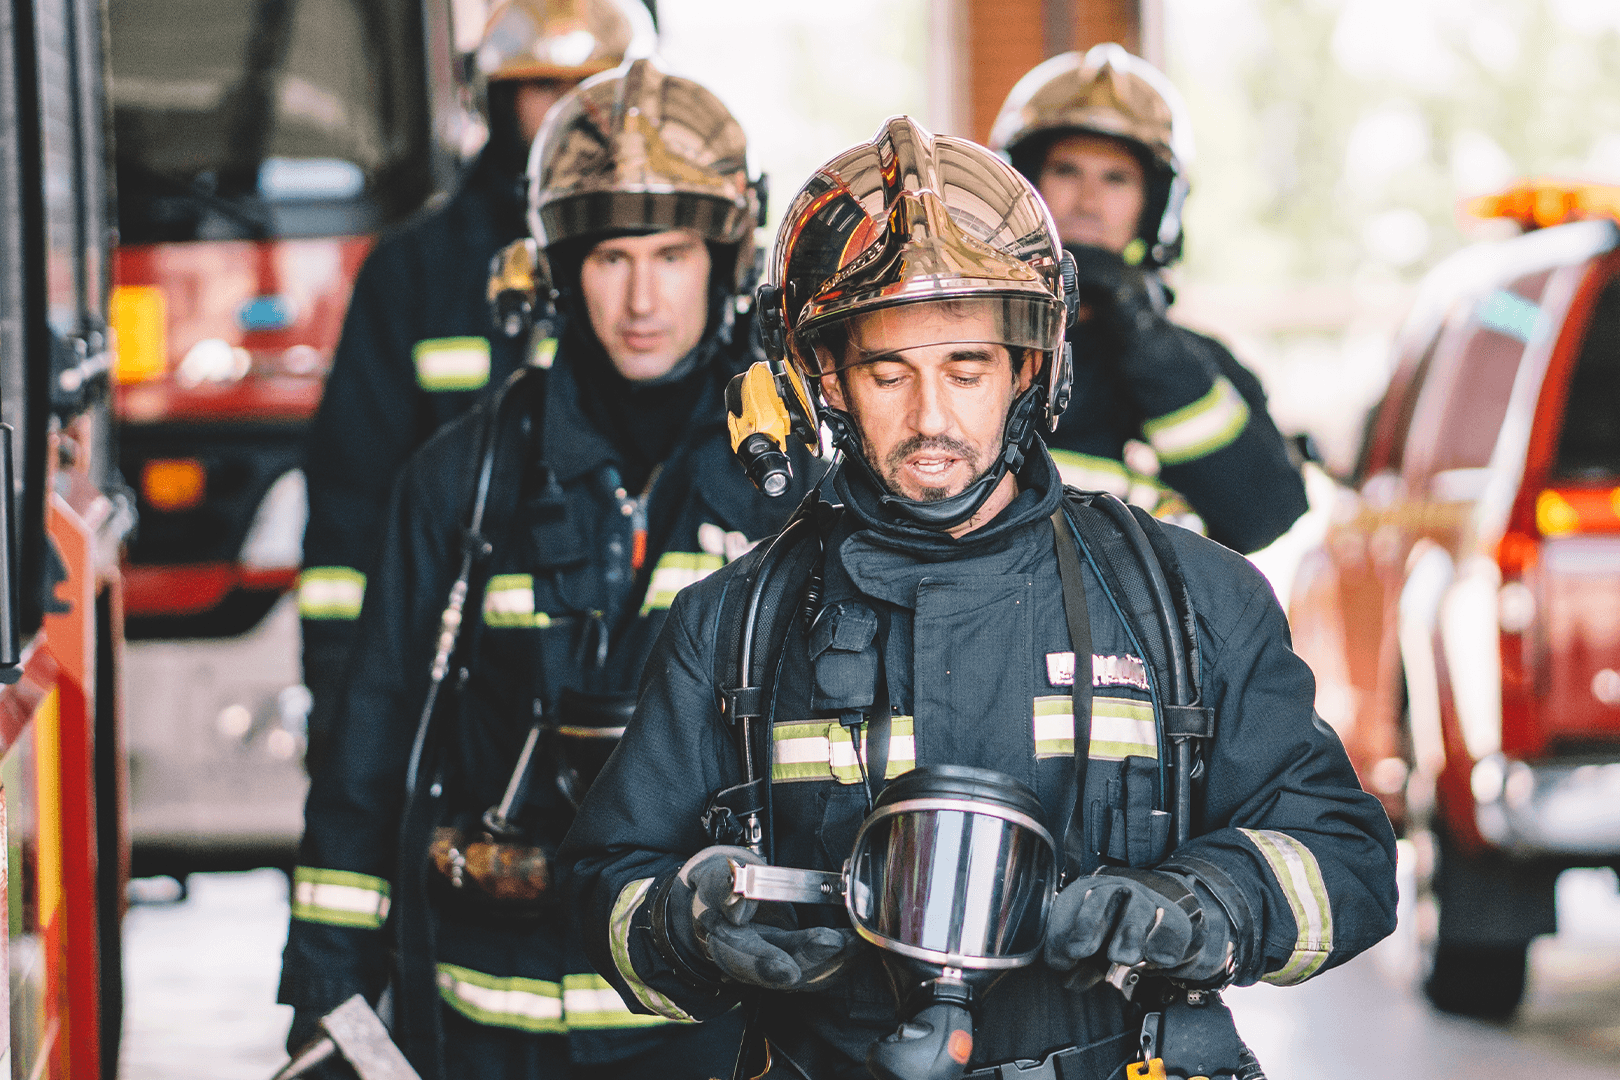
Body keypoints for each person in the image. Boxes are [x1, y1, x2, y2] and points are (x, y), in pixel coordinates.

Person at [560, 117, 1397, 1079]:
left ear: (1028, 369)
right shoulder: (735, 626)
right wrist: (683, 922)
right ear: (826, 377)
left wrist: (1198, 908)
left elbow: (1348, 859)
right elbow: (603, 882)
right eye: (888, 371)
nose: (931, 419)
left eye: (966, 368)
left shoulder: (1188, 599)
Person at [278, 59, 806, 1080]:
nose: (643, 299)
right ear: (559, 269)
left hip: (707, 1032)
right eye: (611, 256)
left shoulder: (787, 483)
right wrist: (327, 997)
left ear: (726, 261)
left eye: (672, 254)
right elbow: (368, 751)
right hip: (485, 1031)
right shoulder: (463, 477)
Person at [297, 0, 656, 774]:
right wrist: (341, 706)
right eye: (543, 88)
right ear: (495, 98)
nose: (569, 115)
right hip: (452, 691)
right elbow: (350, 503)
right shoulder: (412, 274)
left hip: (638, 691)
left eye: (591, 87)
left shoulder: (670, 274)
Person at [989, 44, 1308, 555]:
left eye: (1116, 178)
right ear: (1022, 185)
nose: (1088, 202)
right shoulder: (965, 348)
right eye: (1066, 171)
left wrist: (1145, 340)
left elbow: (1264, 516)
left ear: (1156, 207)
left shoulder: (1197, 365)